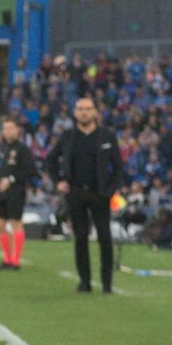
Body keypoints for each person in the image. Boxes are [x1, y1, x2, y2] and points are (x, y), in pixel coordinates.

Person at [45, 96, 122, 293]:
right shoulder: (68, 136)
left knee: (105, 237)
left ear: (95, 112)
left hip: (100, 194)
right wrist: (58, 181)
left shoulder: (107, 136)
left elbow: (119, 167)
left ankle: (107, 283)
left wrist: (110, 190)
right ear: (75, 112)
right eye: (80, 109)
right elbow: (50, 160)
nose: (84, 112)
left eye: (88, 109)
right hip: (76, 193)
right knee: (80, 238)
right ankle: (85, 282)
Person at [0, 116, 35, 269]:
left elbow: (31, 170)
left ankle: (15, 261)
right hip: (3, 192)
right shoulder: (4, 149)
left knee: (15, 223)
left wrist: (10, 179)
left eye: (10, 128)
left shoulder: (23, 149)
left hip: (17, 190)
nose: (7, 131)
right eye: (5, 128)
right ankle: (7, 258)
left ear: (18, 130)